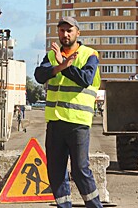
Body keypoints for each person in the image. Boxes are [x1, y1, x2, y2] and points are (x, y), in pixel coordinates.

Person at [34, 17, 103, 208]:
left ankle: (95, 206)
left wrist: (65, 66)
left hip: (77, 123)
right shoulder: (51, 55)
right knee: (56, 171)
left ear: (77, 33)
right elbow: (40, 76)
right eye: (62, 30)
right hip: (55, 122)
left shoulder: (89, 54)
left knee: (81, 170)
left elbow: (85, 79)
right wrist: (60, 66)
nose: (65, 34)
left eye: (69, 30)